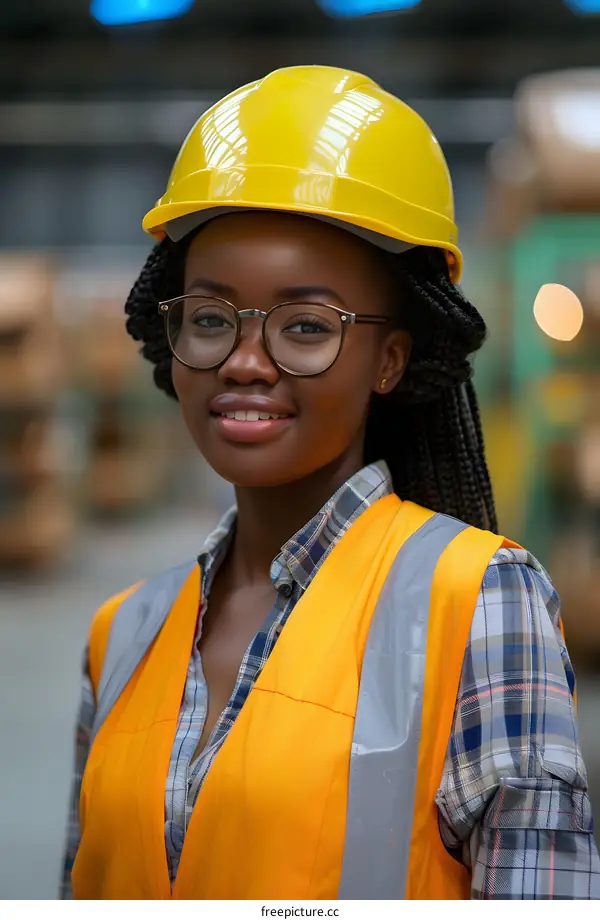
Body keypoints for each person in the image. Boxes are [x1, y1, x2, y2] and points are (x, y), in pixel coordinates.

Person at [61, 65, 600, 900]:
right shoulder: (121, 633)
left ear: (391, 358)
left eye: (306, 327)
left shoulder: (481, 601)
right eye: (209, 318)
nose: (244, 361)